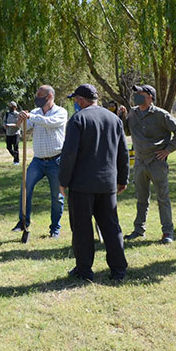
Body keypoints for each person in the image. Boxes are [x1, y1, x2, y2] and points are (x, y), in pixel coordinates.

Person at [59, 84, 129, 282]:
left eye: (75, 100)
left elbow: (69, 154)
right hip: (107, 184)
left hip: (82, 185)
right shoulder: (114, 119)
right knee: (111, 227)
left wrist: (63, 181)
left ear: (80, 100)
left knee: (82, 229)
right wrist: (122, 179)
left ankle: (85, 270)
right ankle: (118, 269)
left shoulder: (78, 119)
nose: (75, 104)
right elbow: (123, 152)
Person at [117, 84, 176, 244]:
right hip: (140, 162)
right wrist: (123, 117)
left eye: (141, 93)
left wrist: (168, 150)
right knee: (141, 199)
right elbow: (127, 132)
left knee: (163, 198)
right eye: (137, 93)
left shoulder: (160, 114)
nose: (137, 95)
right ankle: (139, 230)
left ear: (150, 97)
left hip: (157, 162)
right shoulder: (133, 113)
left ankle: (167, 232)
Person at [13, 85, 68, 238]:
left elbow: (50, 122)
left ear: (49, 96)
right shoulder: (35, 112)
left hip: (56, 160)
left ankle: (55, 229)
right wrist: (21, 120)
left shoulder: (61, 112)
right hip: (37, 160)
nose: (37, 98)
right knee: (25, 188)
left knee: (57, 196)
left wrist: (30, 116)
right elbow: (25, 127)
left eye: (40, 95)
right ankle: (23, 222)